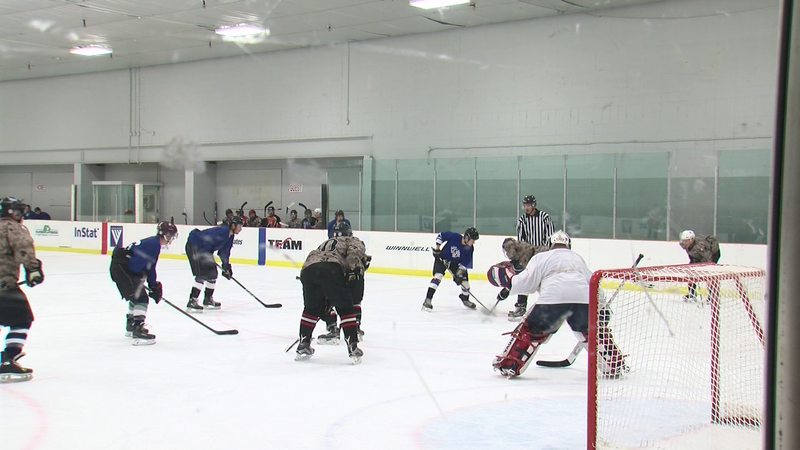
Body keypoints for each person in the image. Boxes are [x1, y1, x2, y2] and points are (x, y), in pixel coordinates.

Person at [488, 230, 627, 379]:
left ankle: (510, 364)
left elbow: (527, 282)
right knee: (592, 331)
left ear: (550, 244)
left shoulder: (541, 257)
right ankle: (614, 364)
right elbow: (592, 281)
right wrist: (602, 307)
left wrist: (510, 283)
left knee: (531, 331)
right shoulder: (577, 258)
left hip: (552, 300)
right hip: (582, 299)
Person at [296, 221, 368, 364]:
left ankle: (303, 344)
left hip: (308, 270)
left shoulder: (326, 243)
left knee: (311, 309)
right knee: (345, 308)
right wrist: (353, 273)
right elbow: (353, 256)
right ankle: (353, 346)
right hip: (331, 269)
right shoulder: (352, 241)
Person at [109, 221, 178, 344]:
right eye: (170, 235)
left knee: (136, 296)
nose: (171, 239)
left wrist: (152, 284)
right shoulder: (154, 245)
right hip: (123, 269)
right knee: (141, 298)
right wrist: (146, 281)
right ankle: (137, 328)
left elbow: (148, 266)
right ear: (165, 235)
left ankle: (131, 324)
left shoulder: (154, 243)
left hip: (121, 267)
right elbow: (141, 266)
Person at [0, 197, 44, 382]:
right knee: (22, 319)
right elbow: (23, 248)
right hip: (3, 286)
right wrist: (33, 269)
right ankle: (7, 359)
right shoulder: (11, 227)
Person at [508, 194, 555, 320]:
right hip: (528, 254)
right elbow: (520, 240)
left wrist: (546, 251)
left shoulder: (544, 217)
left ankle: (550, 306)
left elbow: (550, 237)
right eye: (525, 205)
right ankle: (521, 306)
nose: (526, 208)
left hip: (542, 252)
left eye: (528, 205)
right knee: (525, 278)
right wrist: (522, 254)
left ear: (533, 205)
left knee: (545, 280)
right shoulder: (522, 220)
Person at [184, 216, 243, 312]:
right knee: (202, 274)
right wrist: (207, 255)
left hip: (204, 249)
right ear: (233, 225)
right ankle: (192, 300)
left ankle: (208, 299)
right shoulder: (223, 231)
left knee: (212, 274)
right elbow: (206, 240)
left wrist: (226, 266)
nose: (241, 229)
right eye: (239, 226)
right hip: (194, 246)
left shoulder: (230, 235)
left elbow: (224, 252)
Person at [422, 227, 479, 311]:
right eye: (473, 240)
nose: (473, 242)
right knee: (438, 277)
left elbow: (464, 264)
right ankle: (428, 300)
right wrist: (437, 249)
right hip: (442, 258)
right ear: (467, 238)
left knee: (465, 284)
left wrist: (458, 275)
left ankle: (465, 299)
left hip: (455, 264)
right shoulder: (454, 237)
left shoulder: (470, 249)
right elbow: (441, 236)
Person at [494, 237, 549, 310]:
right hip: (544, 258)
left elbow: (522, 280)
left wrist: (506, 290)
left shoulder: (520, 256)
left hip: (544, 260)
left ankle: (521, 306)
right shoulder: (521, 249)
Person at [679, 230, 721, 302]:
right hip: (698, 256)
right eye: (684, 240)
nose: (685, 242)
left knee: (709, 276)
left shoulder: (700, 247)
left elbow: (708, 258)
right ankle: (692, 293)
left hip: (711, 256)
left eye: (687, 241)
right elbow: (691, 255)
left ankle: (712, 295)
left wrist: (705, 268)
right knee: (689, 273)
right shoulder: (685, 245)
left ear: (691, 240)